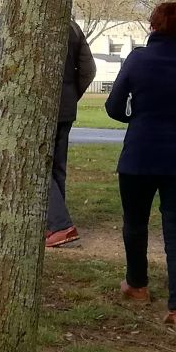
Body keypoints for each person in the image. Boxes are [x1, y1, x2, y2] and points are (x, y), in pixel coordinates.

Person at [104, 2, 176, 332]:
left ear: (152, 26)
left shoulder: (138, 58)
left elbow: (112, 106)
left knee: (134, 222)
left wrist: (136, 117)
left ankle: (137, 284)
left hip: (140, 152)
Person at [46, 22, 97, 248]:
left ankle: (60, 225)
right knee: (57, 168)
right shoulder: (73, 27)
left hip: (42, 105)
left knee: (39, 167)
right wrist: (71, 93)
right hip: (66, 106)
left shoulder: (35, 22)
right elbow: (88, 69)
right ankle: (54, 223)